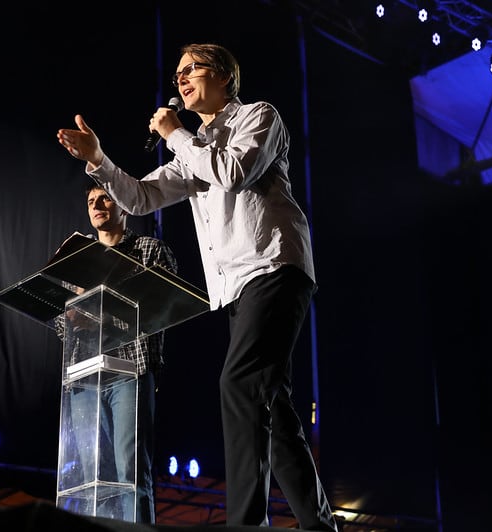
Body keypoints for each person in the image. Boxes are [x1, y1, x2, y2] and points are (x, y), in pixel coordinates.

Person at [56, 43, 338, 531]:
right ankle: (319, 523)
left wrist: (176, 133)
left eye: (192, 69)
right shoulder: (193, 149)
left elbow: (233, 171)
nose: (181, 80)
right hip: (236, 287)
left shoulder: (258, 117)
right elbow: (141, 198)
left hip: (274, 266)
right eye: (178, 74)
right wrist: (99, 159)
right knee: (271, 403)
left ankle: (246, 523)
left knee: (239, 383)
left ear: (225, 75)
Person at [54, 182, 178, 524]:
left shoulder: (149, 250)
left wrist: (99, 317)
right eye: (91, 200)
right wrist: (74, 314)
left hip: (129, 372)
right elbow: (62, 327)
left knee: (130, 470)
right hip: (83, 378)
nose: (97, 204)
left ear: (123, 204)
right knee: (92, 475)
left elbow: (160, 310)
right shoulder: (76, 261)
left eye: (105, 197)